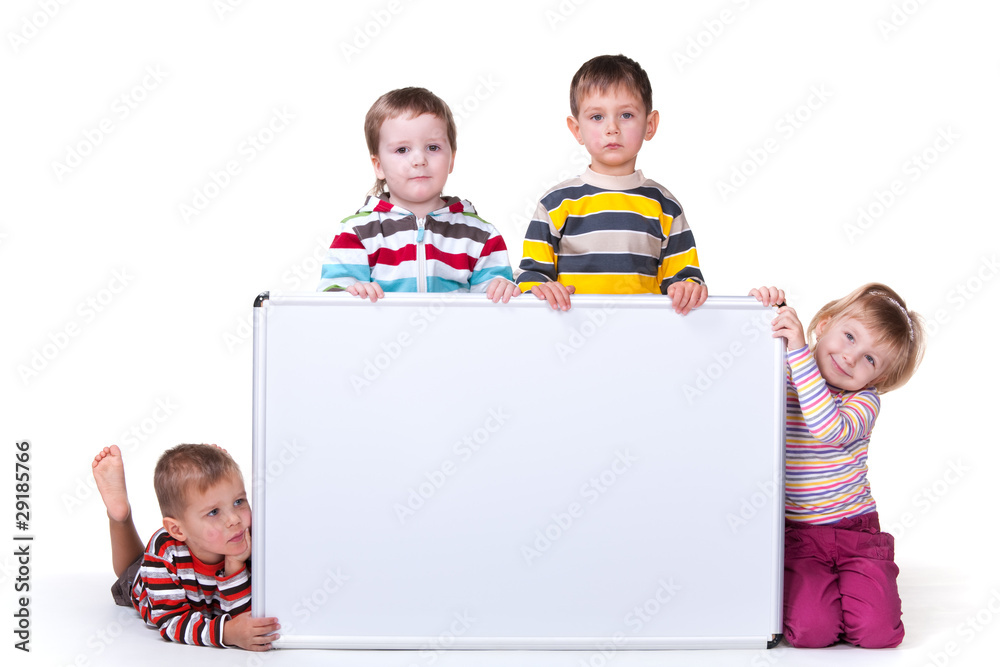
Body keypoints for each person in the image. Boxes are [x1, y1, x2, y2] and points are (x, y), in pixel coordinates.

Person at [751, 283, 926, 648]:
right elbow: (742, 367)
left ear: (877, 379)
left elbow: (827, 428)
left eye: (870, 359)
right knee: (811, 632)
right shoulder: (779, 373)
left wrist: (799, 351)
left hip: (855, 533)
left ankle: (856, 592)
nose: (850, 357)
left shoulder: (864, 402)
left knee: (879, 633)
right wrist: (765, 309)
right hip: (799, 536)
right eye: (849, 337)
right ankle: (831, 600)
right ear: (824, 324)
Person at [515, 54, 707, 313]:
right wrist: (540, 288)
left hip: (645, 333)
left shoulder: (665, 206)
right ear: (577, 129)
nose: (612, 128)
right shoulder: (556, 203)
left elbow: (685, 280)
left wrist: (689, 289)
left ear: (650, 125)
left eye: (626, 115)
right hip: (571, 331)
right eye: (597, 117)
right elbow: (530, 277)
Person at [317, 87, 517, 303]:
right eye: (402, 150)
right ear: (378, 166)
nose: (419, 160)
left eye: (433, 147)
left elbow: (493, 308)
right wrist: (353, 292)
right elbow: (331, 298)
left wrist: (502, 288)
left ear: (451, 160)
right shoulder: (357, 233)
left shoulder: (481, 236)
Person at [92, 443, 279, 650]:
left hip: (199, 591)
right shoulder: (165, 553)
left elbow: (246, 620)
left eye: (238, 501)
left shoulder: (248, 538)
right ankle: (120, 517)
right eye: (214, 512)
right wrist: (226, 633)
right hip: (150, 585)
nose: (234, 519)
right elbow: (171, 622)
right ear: (177, 530)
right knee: (130, 569)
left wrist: (234, 565)